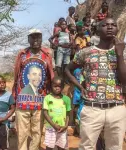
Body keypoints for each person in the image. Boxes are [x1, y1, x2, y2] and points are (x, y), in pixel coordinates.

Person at [65, 18, 126, 150]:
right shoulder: (85, 52)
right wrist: (80, 86)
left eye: (113, 25)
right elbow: (68, 69)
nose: (110, 27)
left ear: (117, 29)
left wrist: (120, 55)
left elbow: (125, 80)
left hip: (116, 108)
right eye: (105, 25)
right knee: (87, 147)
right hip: (92, 108)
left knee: (115, 147)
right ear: (98, 30)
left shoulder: (124, 52)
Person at [12, 29, 54, 150]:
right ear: (28, 39)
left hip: (40, 101)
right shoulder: (22, 55)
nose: (36, 40)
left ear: (41, 39)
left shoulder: (47, 55)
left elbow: (51, 76)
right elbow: (16, 75)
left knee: (37, 133)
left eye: (38, 37)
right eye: (33, 37)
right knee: (22, 133)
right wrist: (14, 96)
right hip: (23, 100)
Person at [43, 77, 71, 150]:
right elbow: (45, 113)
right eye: (55, 86)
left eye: (59, 86)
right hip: (50, 127)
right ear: (51, 86)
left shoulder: (67, 99)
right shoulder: (47, 98)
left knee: (61, 146)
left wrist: (66, 125)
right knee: (49, 147)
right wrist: (54, 125)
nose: (57, 88)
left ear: (62, 87)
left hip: (62, 128)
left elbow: (68, 114)